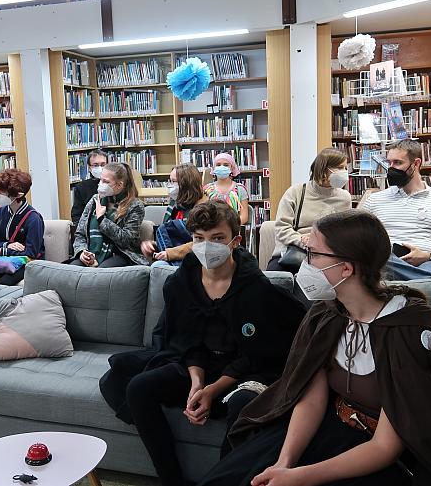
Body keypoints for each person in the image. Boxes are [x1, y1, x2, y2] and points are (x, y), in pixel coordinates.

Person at [197, 210, 431, 486]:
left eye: (313, 254)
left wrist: (298, 477)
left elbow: (385, 447)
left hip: (375, 454)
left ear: (346, 268)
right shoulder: (327, 316)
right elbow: (312, 400)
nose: (305, 263)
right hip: (331, 425)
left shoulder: (406, 333)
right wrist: (284, 463)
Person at [102, 201, 305, 486]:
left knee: (244, 404)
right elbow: (185, 339)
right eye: (199, 238)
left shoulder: (255, 289)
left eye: (218, 238)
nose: (207, 246)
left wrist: (213, 389)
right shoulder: (182, 281)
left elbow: (256, 354)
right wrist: (197, 383)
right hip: (197, 364)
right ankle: (172, 480)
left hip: (242, 371)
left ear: (236, 241)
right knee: (138, 387)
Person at [360, 139, 431, 280]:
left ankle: (415, 283)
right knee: (378, 260)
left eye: (397, 163)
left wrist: (428, 255)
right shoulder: (374, 200)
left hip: (428, 262)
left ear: (416, 164)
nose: (391, 168)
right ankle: (421, 283)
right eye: (389, 163)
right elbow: (358, 239)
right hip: (388, 260)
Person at [267, 148, 352, 273]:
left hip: (327, 255)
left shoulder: (344, 198)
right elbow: (281, 228)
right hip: (293, 252)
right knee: (275, 278)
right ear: (323, 169)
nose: (344, 172)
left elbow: (344, 233)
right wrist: (302, 240)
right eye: (339, 168)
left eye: (345, 168)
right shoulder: (295, 192)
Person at [71, 162, 146, 268]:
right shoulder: (95, 200)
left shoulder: (135, 206)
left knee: (101, 272)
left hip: (120, 254)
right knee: (71, 269)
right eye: (100, 180)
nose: (100, 184)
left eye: (106, 182)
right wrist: (82, 252)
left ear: (119, 185)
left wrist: (102, 219)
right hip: (91, 252)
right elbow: (80, 233)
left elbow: (126, 240)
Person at [0, 169, 46, 285]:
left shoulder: (34, 219)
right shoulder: (1, 212)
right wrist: (7, 245)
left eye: (1, 193)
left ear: (18, 195)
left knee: (3, 283)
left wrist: (3, 250)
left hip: (29, 263)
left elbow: (31, 252)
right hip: (5, 258)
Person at [140, 163, 207, 266]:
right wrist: (153, 245)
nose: (169, 185)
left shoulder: (203, 209)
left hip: (195, 259)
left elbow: (202, 243)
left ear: (187, 184)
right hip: (173, 256)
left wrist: (170, 253)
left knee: (158, 266)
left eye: (173, 181)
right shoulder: (174, 205)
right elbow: (172, 238)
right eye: (169, 181)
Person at [203, 152, 249, 225]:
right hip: (212, 228)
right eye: (218, 165)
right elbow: (204, 214)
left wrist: (230, 227)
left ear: (232, 168)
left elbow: (244, 216)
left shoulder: (240, 189)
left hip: (233, 227)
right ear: (213, 168)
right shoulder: (207, 190)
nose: (222, 167)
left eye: (226, 165)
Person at [71, 150, 109, 224]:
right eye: (95, 165)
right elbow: (76, 214)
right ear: (89, 167)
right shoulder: (81, 187)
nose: (100, 168)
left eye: (103, 164)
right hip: (88, 226)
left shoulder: (114, 184)